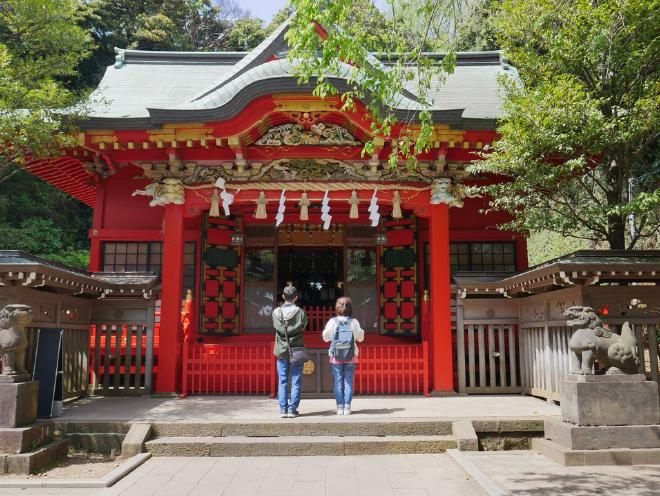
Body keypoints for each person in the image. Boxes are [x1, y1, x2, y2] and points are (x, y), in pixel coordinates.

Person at [323, 296, 365, 415]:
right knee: (348, 382)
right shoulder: (354, 322)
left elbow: (325, 338)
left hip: (336, 356)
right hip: (351, 356)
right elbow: (360, 338)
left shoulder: (332, 322)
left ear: (337, 307)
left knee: (338, 381)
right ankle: (347, 407)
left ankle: (339, 407)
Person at [272, 285, 308, 418]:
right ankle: (292, 409)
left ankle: (283, 409)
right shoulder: (300, 312)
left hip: (281, 350)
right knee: (296, 380)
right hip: (296, 349)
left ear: (283, 297)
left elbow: (276, 328)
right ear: (296, 297)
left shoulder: (276, 312)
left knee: (282, 380)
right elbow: (303, 326)